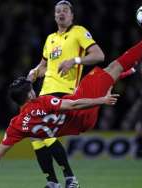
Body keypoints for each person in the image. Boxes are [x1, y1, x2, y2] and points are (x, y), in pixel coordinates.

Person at [0, 11, 142, 186]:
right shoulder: (43, 102)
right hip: (81, 112)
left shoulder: (16, 125)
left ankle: (119, 75)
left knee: (102, 75)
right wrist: (101, 101)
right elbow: (73, 104)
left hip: (79, 123)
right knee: (113, 66)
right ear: (30, 94)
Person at [26, 1, 105, 187]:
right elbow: (45, 65)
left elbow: (99, 55)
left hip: (65, 91)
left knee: (45, 131)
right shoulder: (50, 39)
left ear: (71, 15)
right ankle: (53, 181)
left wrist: (75, 60)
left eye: (65, 11)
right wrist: (34, 71)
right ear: (54, 16)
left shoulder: (78, 32)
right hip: (44, 92)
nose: (61, 13)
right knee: (35, 135)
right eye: (58, 11)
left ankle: (69, 178)